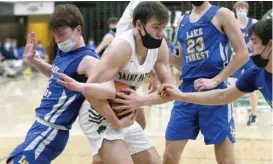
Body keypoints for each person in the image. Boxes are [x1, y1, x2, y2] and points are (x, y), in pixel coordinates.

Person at [6, 4, 131, 164]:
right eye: (55, 35)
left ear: (78, 30)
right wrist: (33, 61)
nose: (58, 39)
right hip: (40, 125)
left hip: (51, 130)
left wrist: (81, 87)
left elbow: (110, 88)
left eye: (62, 33)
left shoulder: (88, 60)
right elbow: (56, 73)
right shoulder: (65, 51)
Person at [56, 1, 174, 164]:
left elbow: (171, 91)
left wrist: (140, 100)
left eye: (163, 27)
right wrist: (114, 120)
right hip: (98, 110)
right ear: (139, 25)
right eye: (155, 27)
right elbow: (89, 91)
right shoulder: (122, 47)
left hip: (124, 110)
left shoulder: (160, 47)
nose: (161, 33)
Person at [159, 18, 272, 123]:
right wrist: (181, 96)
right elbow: (223, 96)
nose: (249, 46)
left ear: (270, 45)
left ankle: (253, 114)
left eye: (254, 42)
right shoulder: (255, 74)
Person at [229, 1, 258, 125]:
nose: (240, 10)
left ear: (246, 10)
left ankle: (253, 114)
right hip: (236, 57)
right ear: (236, 10)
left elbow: (260, 39)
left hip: (250, 58)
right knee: (229, 86)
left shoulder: (254, 23)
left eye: (243, 8)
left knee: (252, 89)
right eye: (238, 8)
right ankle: (228, 114)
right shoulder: (231, 22)